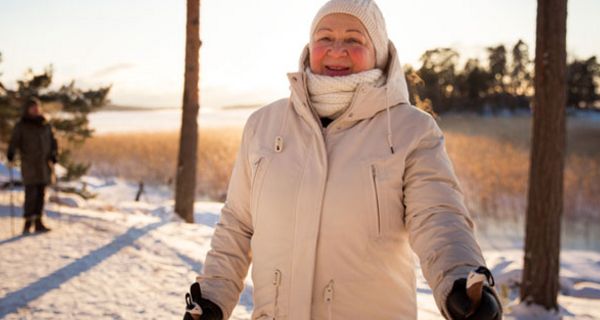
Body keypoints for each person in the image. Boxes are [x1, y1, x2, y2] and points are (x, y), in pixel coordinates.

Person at [184, 0, 502, 319]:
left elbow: (436, 216)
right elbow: (238, 223)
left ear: (377, 50)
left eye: (353, 39)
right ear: (310, 47)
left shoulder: (411, 130)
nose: (337, 50)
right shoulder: (264, 124)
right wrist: (212, 297)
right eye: (324, 38)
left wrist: (459, 279)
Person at [7, 97, 58, 234]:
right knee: (31, 193)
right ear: (27, 109)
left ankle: (39, 221)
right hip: (29, 164)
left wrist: (54, 154)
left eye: (37, 107)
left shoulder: (45, 124)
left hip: (44, 164)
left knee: (41, 193)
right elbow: (14, 141)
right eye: (33, 107)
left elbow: (53, 140)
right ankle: (28, 222)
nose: (36, 110)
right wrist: (11, 153)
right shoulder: (22, 125)